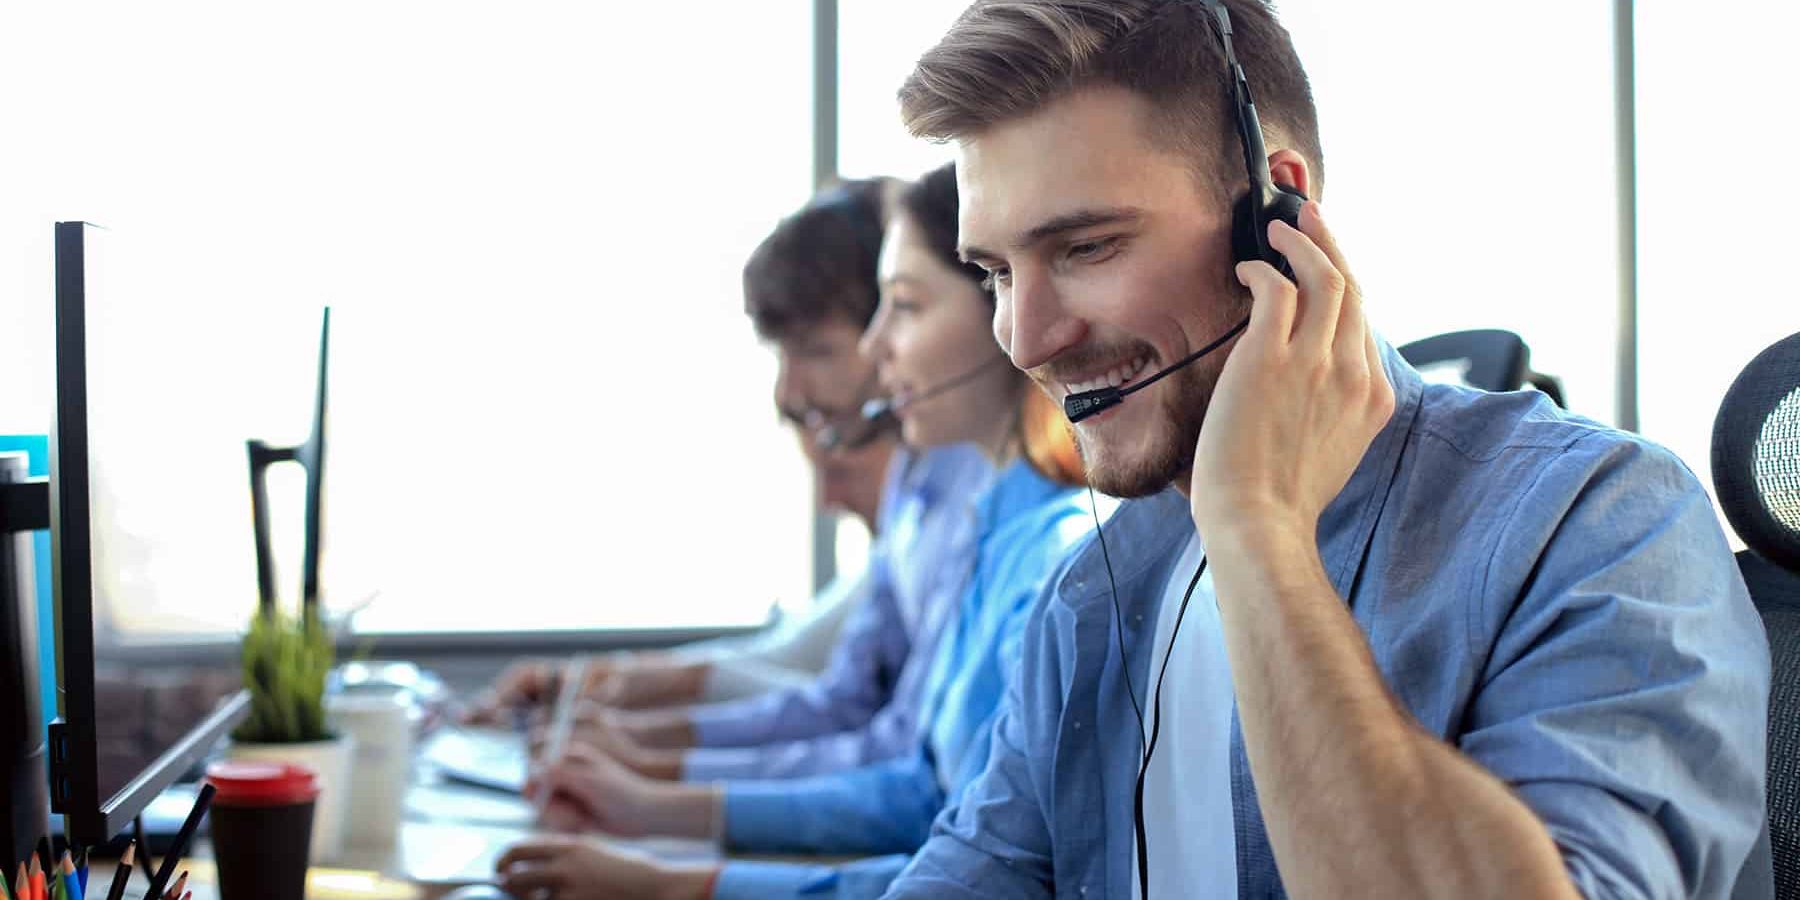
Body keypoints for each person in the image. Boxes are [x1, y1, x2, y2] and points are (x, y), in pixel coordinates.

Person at [879, 2, 1770, 898]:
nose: (1026, 337)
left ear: (1276, 211)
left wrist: (1259, 534)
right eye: (993, 272)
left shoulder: (1598, 523)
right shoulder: (1095, 597)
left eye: (1086, 246)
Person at [492, 164, 1095, 900]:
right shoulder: (984, 519)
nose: (877, 351)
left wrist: (676, 874)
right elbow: (907, 766)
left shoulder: (1048, 556)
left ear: (1001, 309)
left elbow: (969, 855)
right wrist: (652, 797)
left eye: (901, 308)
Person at [470, 179, 995, 785]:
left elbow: (860, 723)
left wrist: (647, 766)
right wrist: (611, 724)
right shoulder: (918, 485)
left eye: (816, 349)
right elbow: (815, 674)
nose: (787, 393)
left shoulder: (981, 498)